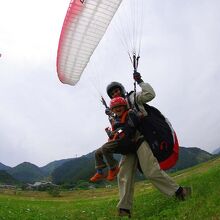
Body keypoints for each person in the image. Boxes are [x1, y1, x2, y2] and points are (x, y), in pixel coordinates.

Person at [106, 72, 191, 218]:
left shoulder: (132, 98)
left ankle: (180, 192)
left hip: (140, 138)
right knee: (123, 174)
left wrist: (140, 81)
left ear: (121, 89)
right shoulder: (114, 112)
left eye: (117, 90)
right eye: (112, 93)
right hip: (128, 144)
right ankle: (124, 209)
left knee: (150, 171)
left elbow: (150, 94)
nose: (115, 93)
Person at [90, 97, 139, 182]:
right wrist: (111, 133)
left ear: (125, 107)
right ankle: (100, 172)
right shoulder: (116, 119)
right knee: (97, 153)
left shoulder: (129, 114)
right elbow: (118, 128)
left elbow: (129, 127)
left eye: (120, 106)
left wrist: (118, 131)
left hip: (127, 142)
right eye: (115, 108)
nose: (118, 109)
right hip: (119, 141)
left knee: (105, 148)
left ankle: (113, 168)